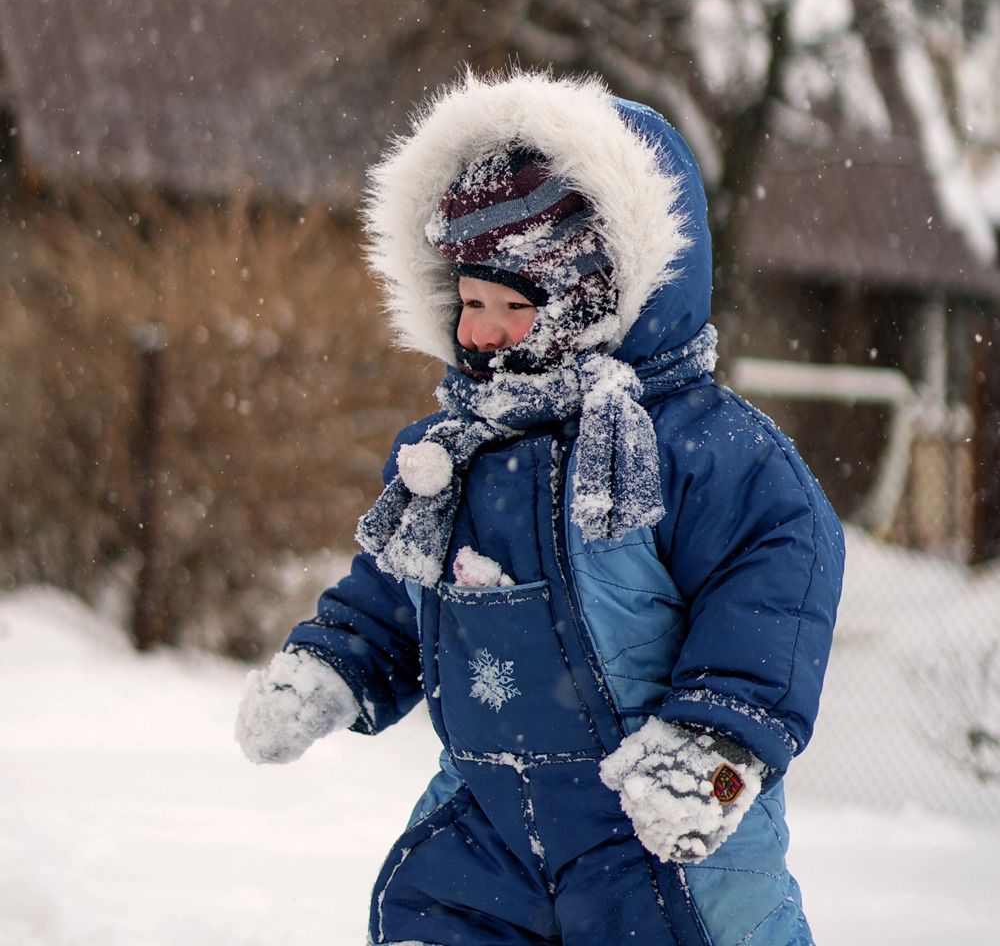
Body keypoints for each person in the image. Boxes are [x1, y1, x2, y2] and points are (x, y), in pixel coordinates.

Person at [235, 70, 845, 945]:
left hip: (657, 830)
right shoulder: (451, 451)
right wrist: (335, 663)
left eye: (511, 306)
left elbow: (777, 578)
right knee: (429, 916)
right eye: (468, 303)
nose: (478, 331)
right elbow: (394, 588)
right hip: (488, 824)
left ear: (592, 297)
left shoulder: (700, 447)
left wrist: (716, 738)